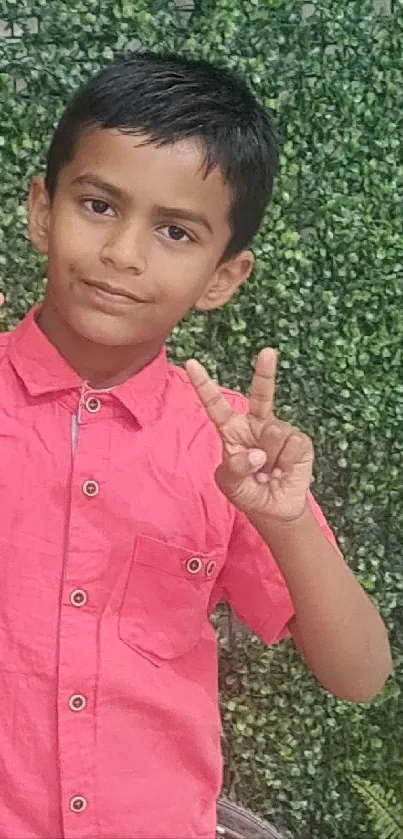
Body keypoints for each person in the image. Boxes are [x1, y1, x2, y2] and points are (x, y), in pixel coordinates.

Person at [0, 51, 391, 839]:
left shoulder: (219, 451)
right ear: (43, 210)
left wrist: (281, 521)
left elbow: (358, 675)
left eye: (175, 231)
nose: (124, 254)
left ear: (221, 275)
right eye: (99, 204)